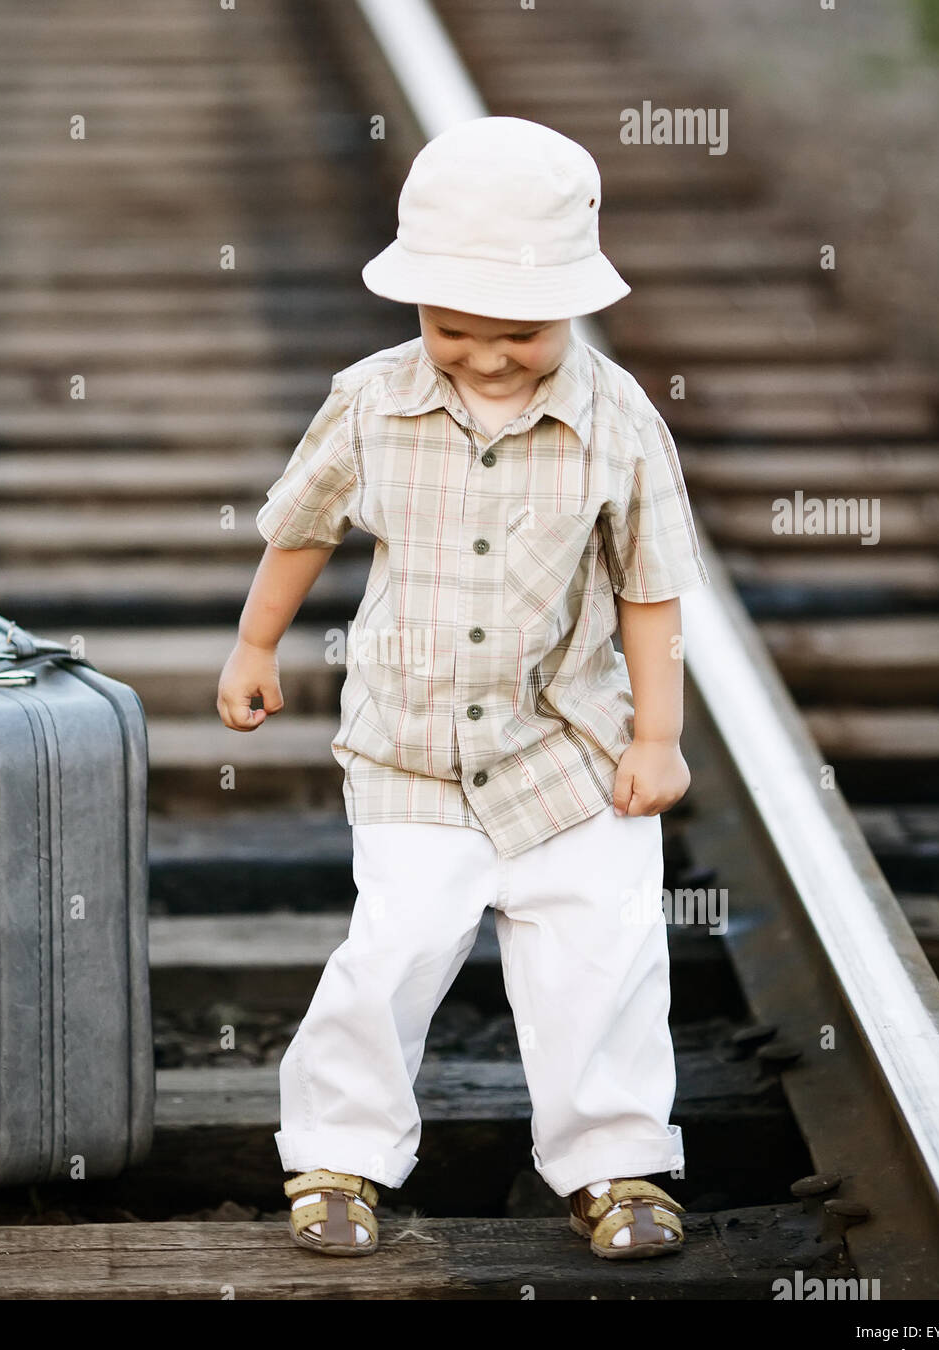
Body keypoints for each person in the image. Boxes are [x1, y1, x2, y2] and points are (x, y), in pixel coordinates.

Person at [216, 116, 710, 1260]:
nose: (487, 357)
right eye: (453, 330)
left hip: (569, 751)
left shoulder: (618, 422)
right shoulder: (371, 400)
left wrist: (657, 735)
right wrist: (255, 645)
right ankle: (337, 1152)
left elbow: (650, 587)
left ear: (575, 307)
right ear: (415, 306)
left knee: (606, 951)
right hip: (412, 749)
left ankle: (616, 1165)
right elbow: (302, 528)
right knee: (392, 947)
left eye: (521, 335)